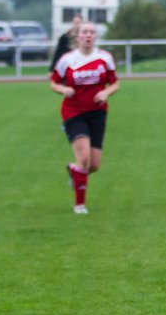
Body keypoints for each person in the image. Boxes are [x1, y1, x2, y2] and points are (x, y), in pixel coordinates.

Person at [49, 22, 119, 215]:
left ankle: (74, 170)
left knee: (94, 165)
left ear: (95, 37)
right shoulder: (67, 60)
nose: (88, 35)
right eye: (85, 32)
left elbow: (115, 83)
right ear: (78, 37)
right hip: (74, 112)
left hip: (97, 113)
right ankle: (79, 205)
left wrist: (106, 93)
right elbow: (54, 83)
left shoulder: (104, 58)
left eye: (92, 32)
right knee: (84, 158)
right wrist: (64, 89)